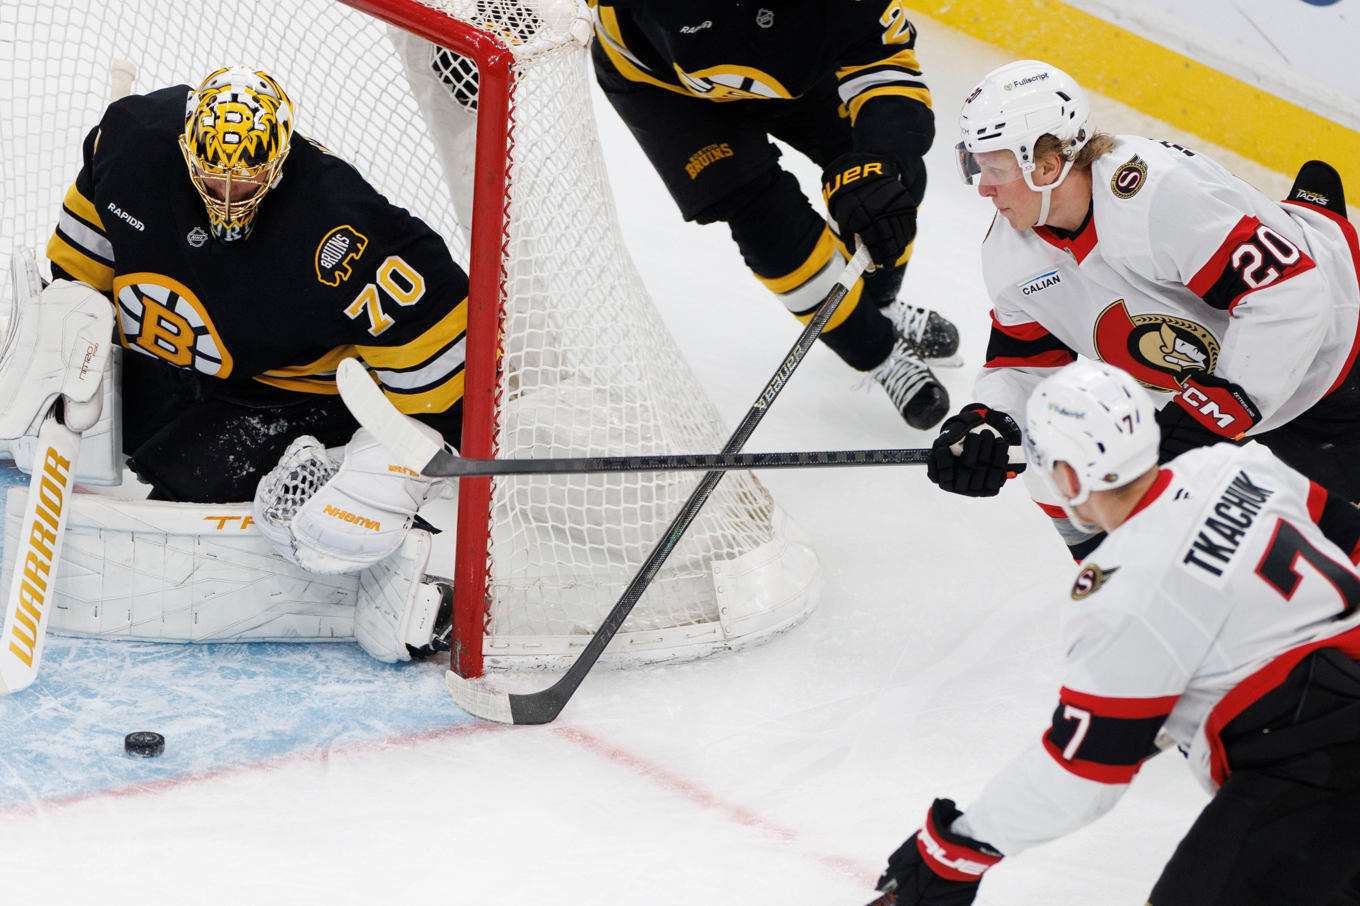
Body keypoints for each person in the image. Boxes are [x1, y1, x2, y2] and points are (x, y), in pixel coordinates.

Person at [871, 359, 1360, 906]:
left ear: (1073, 477)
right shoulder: (1236, 466)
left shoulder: (1122, 587)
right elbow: (1349, 534)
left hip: (1309, 766)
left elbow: (1085, 772)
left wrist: (956, 850)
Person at [35, 65, 471, 661]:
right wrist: (60, 344)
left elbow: (446, 351)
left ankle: (338, 452)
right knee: (94, 431)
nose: (229, 196)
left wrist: (396, 455)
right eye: (214, 178)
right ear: (188, 147)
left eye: (249, 180)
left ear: (281, 159)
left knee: (185, 483)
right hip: (183, 362)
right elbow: (79, 272)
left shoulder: (339, 228)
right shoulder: (132, 143)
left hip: (289, 391)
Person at [925, 59, 1360, 559]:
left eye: (995, 169)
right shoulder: (1011, 251)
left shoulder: (1156, 196)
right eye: (975, 166)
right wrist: (991, 422)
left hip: (1329, 350)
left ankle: (1316, 222)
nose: (982, 187)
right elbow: (1024, 363)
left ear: (1046, 167)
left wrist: (1216, 409)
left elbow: (1290, 293)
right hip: (1203, 378)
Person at [589, 1, 959, 430]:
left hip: (790, 56)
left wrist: (880, 160)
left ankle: (878, 304)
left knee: (891, 183)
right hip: (663, 86)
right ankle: (879, 351)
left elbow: (885, 63)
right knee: (771, 229)